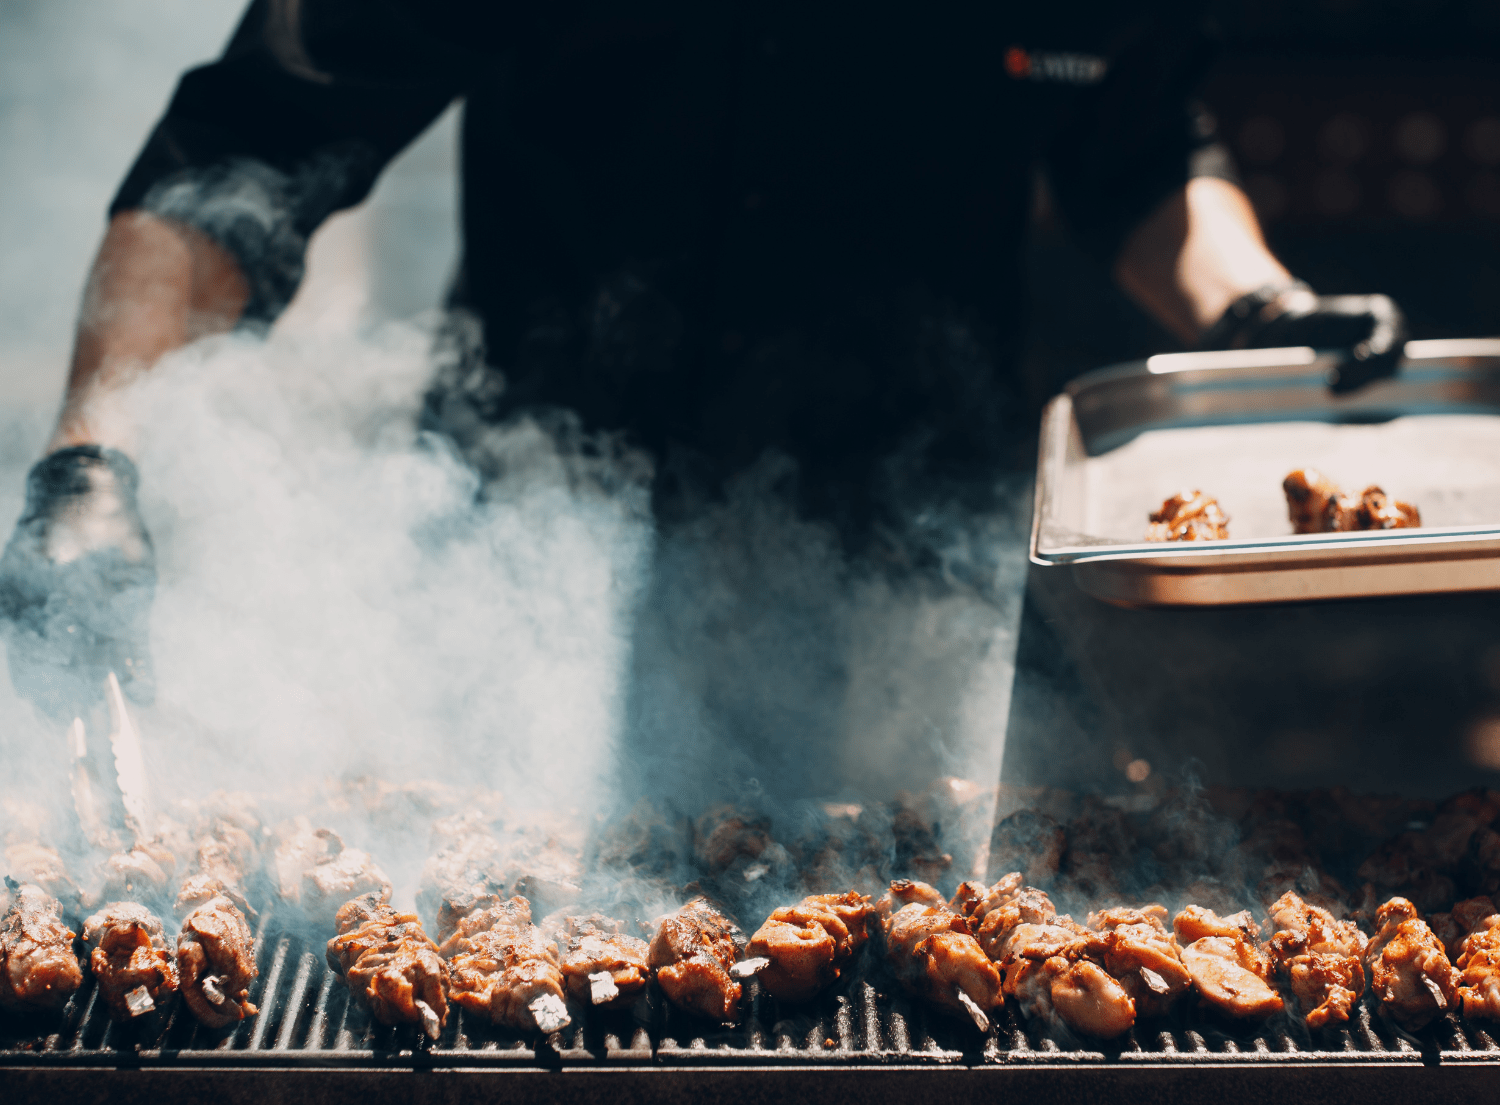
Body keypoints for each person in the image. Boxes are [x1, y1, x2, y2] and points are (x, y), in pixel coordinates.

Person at [0, 0, 1405, 720]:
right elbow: (249, 149)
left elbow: (1143, 148)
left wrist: (1258, 310)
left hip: (915, 579)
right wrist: (93, 450)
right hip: (532, 559)